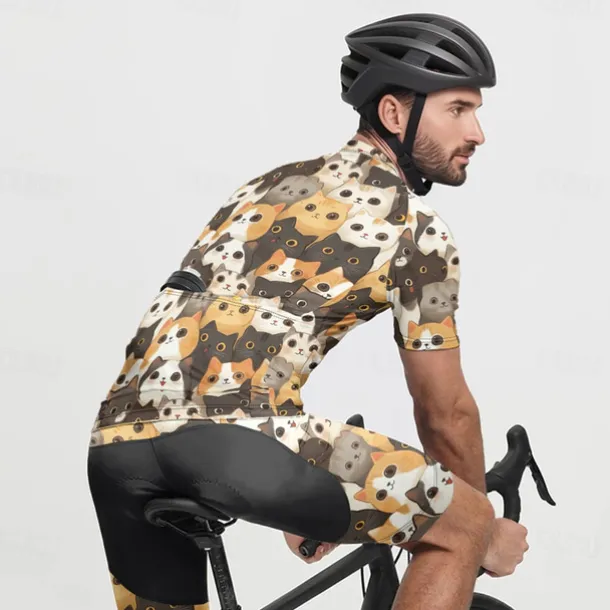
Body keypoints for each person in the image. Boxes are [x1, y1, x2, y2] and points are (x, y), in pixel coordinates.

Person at [87, 13, 529, 610]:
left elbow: (230, 329)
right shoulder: (415, 229)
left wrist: (302, 485)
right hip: (239, 444)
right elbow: (444, 410)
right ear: (393, 114)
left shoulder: (263, 188)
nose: (477, 132)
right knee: (464, 525)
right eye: (458, 109)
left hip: (115, 448)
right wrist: (476, 526)